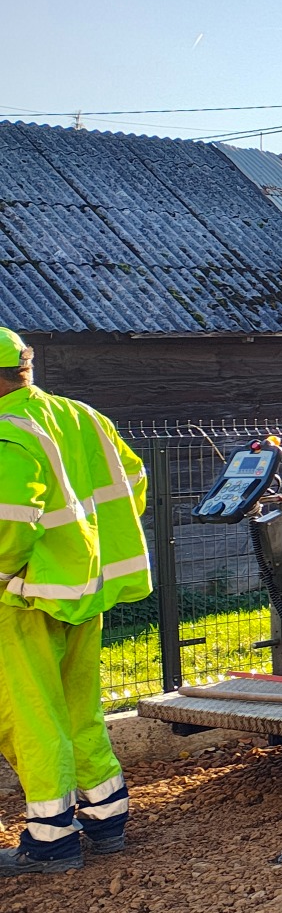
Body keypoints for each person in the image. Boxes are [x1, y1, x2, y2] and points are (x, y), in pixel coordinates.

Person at [0, 328, 151, 874]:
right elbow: (132, 484)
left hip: (23, 599)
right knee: (79, 706)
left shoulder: (7, 435)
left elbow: (8, 529)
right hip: (86, 590)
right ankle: (107, 818)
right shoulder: (82, 416)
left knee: (31, 715)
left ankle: (50, 840)